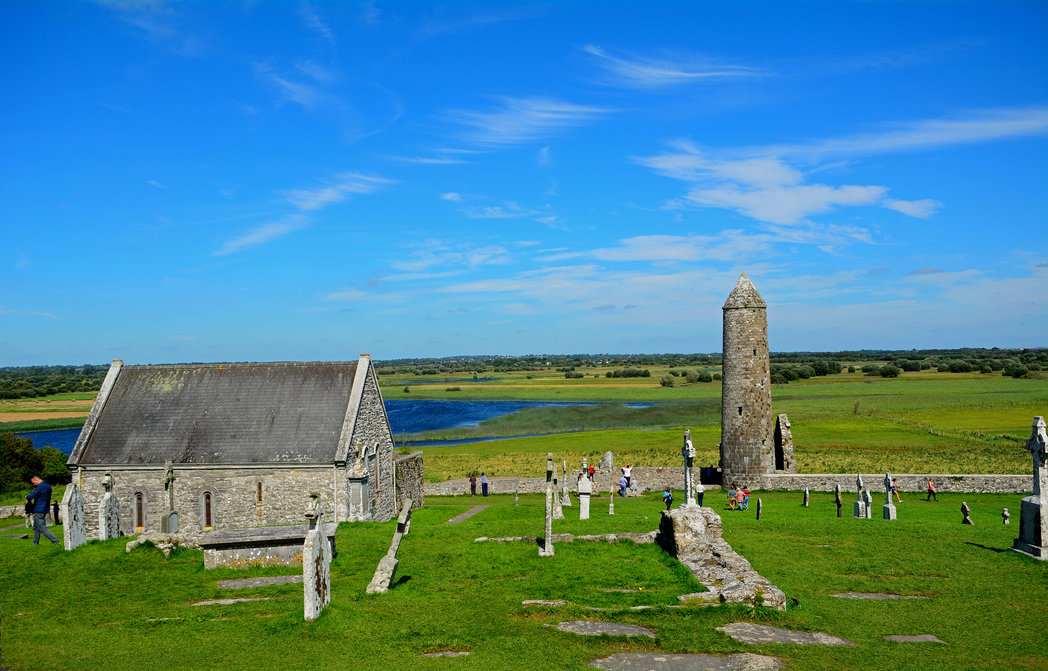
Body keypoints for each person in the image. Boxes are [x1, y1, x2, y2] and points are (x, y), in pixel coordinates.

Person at [25, 476, 59, 545]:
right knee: (35, 527)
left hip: (39, 508)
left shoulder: (41, 486)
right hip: (44, 508)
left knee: (42, 528)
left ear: (37, 480)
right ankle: (35, 542)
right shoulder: (48, 486)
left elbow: (33, 495)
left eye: (33, 483)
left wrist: (28, 497)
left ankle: (55, 541)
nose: (34, 484)